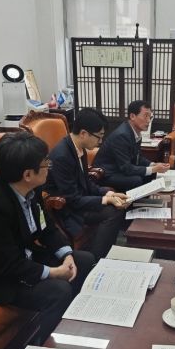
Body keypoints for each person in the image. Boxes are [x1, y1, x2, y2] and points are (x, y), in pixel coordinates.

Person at [0, 132, 95, 343]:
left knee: (83, 260)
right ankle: (42, 346)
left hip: (23, 258)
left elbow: (47, 229)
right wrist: (53, 273)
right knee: (58, 290)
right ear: (28, 174)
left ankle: (71, 323)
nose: (49, 166)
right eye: (45, 163)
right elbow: (9, 265)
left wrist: (66, 255)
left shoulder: (32, 189)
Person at [46, 108, 128, 259]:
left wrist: (109, 193)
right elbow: (72, 199)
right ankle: (96, 259)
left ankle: (102, 253)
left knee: (115, 203)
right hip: (67, 208)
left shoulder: (79, 148)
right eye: (99, 137)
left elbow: (86, 183)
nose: (100, 141)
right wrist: (105, 200)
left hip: (79, 199)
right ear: (83, 133)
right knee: (113, 212)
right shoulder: (62, 156)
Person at [93, 100, 170, 192]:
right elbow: (126, 168)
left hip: (119, 169)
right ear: (132, 116)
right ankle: (133, 201)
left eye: (150, 117)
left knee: (151, 174)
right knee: (136, 180)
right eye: (145, 116)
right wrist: (153, 169)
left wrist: (153, 164)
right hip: (106, 174)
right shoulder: (122, 135)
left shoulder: (136, 133)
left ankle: (146, 199)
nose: (149, 121)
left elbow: (138, 158)